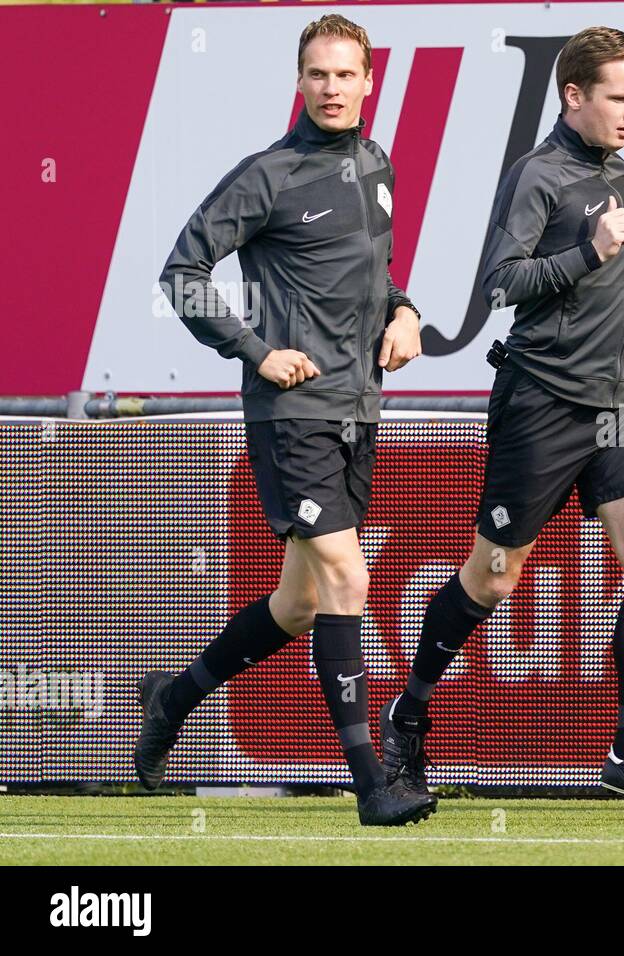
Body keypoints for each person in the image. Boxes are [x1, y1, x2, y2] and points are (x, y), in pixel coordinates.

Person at [380, 26, 624, 812]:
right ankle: (407, 716)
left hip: (623, 402)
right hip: (544, 402)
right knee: (494, 575)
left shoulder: (618, 170)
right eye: (620, 98)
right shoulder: (538, 174)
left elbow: (583, 286)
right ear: (574, 95)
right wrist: (592, 257)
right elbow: (502, 283)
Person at [135, 14, 434, 826]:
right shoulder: (267, 174)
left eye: (345, 75)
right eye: (317, 75)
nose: (332, 88)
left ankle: (174, 695)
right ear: (299, 83)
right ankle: (371, 782)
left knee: (300, 604)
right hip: (290, 414)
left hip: (356, 409)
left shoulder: (377, 165)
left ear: (370, 82)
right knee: (349, 579)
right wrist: (256, 351)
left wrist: (404, 313)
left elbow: (379, 272)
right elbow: (182, 272)